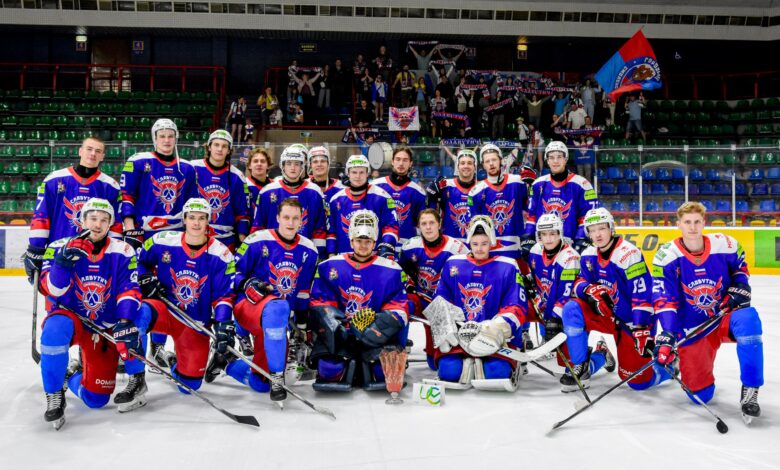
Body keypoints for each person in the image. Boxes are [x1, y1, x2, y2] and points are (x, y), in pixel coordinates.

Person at [652, 202, 763, 424]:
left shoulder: (726, 245)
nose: (692, 227)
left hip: (723, 317)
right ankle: (680, 364)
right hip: (693, 328)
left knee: (748, 319)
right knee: (699, 396)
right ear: (678, 224)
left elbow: (740, 270)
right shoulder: (666, 256)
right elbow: (665, 299)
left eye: (697, 222)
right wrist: (669, 333)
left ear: (704, 222)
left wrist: (740, 287)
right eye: (687, 222)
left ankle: (750, 389)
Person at [38, 198, 144, 429]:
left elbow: (129, 288)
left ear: (110, 224)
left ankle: (71, 376)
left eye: (104, 220)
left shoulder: (123, 250)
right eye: (93, 218)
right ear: (82, 220)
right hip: (72, 319)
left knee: (96, 399)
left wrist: (124, 320)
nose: (97, 224)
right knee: (53, 331)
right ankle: (54, 394)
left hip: (104, 327)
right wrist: (62, 264)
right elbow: (52, 290)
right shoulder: (58, 247)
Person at [207, 198, 318, 403]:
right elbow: (232, 272)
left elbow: (303, 291)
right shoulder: (256, 240)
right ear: (277, 218)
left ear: (302, 220)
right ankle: (277, 378)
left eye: (295, 218)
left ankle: (227, 362)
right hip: (250, 308)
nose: (290, 222)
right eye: (286, 217)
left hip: (277, 322)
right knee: (278, 306)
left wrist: (301, 327)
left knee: (260, 384)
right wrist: (246, 282)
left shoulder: (309, 250)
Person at [132, 198, 236, 395]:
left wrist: (223, 323)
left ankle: (171, 360)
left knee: (189, 386)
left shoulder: (221, 254)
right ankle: (136, 378)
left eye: (202, 218)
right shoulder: (162, 240)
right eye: (192, 217)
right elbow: (137, 261)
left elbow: (224, 296)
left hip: (194, 322)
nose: (196, 223)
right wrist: (144, 277)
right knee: (139, 314)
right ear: (184, 219)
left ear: (208, 221)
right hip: (165, 310)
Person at [561, 207, 671, 392]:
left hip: (632, 321)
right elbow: (579, 281)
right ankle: (583, 364)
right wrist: (588, 289)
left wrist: (640, 327)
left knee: (637, 382)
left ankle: (669, 366)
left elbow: (642, 295)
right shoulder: (588, 254)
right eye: (592, 230)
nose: (597, 234)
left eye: (602, 228)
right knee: (572, 309)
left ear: (611, 228)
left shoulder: (628, 254)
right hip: (607, 315)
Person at [119, 118, 197, 367]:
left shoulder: (187, 168)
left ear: (176, 138)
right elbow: (126, 195)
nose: (166, 140)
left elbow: (192, 205)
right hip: (144, 236)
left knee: (166, 288)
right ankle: (130, 344)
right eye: (161, 135)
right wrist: (129, 226)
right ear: (154, 138)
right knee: (139, 287)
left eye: (170, 135)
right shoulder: (138, 161)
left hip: (173, 240)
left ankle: (159, 347)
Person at [309, 209, 409, 392]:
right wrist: (334, 326)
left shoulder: (392, 269)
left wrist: (379, 327)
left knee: (382, 371)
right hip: (341, 336)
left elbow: (399, 306)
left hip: (374, 338)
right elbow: (320, 301)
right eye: (359, 241)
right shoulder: (329, 266)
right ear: (351, 240)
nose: (363, 246)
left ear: (375, 242)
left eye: (368, 241)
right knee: (329, 369)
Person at [431, 216, 528, 389]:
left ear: (491, 242)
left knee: (496, 372)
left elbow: (517, 304)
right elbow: (440, 299)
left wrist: (498, 326)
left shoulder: (508, 266)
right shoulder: (453, 264)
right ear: (469, 242)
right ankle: (469, 364)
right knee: (449, 371)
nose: (479, 248)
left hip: (491, 337)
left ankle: (480, 365)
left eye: (484, 243)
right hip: (460, 336)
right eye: (475, 244)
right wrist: (444, 326)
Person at [526, 213, 614, 390]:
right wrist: (528, 285)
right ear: (538, 235)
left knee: (570, 366)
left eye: (553, 234)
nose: (548, 239)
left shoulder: (570, 258)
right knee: (517, 305)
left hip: (564, 314)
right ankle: (514, 352)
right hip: (543, 306)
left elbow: (566, 295)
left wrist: (554, 319)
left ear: (560, 233)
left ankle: (601, 354)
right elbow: (535, 280)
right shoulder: (535, 251)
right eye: (544, 234)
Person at [25, 136, 122, 284]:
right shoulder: (54, 179)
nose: (93, 154)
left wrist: (114, 253)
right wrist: (36, 248)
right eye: (89, 149)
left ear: (102, 156)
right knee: (57, 294)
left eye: (98, 151)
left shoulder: (110, 186)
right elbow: (41, 216)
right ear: (80, 151)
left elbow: (115, 224)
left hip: (94, 256)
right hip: (58, 251)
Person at [398, 209, 468, 369]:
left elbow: (466, 277)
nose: (428, 227)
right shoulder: (410, 246)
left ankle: (449, 352)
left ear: (439, 224)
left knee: (434, 364)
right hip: (420, 299)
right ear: (418, 226)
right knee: (401, 305)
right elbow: (400, 273)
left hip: (443, 305)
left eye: (431, 223)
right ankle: (398, 350)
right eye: (424, 223)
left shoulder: (457, 248)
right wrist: (408, 284)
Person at [522, 141, 598, 257]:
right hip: (543, 246)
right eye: (551, 157)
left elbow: (586, 218)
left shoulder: (582, 184)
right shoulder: (538, 184)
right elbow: (531, 216)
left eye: (559, 157)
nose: (555, 161)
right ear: (547, 160)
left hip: (570, 247)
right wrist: (528, 237)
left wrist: (581, 239)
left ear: (565, 159)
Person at [252, 144, 327, 255]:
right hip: (273, 253)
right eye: (289, 163)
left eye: (297, 164)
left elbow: (320, 229)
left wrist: (317, 255)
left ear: (302, 166)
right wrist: (259, 253)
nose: (293, 168)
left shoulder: (315, 192)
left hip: (304, 254)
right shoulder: (266, 192)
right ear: (282, 165)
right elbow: (258, 226)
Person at [327, 154, 398, 258]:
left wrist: (386, 246)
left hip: (373, 258)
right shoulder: (336, 200)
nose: (358, 176)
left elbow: (391, 226)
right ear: (348, 173)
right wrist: (331, 253)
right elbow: (331, 231)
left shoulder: (383, 197)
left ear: (367, 173)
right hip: (344, 258)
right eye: (354, 172)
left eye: (361, 172)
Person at [191, 130, 250, 251]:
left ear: (229, 150)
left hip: (225, 240)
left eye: (224, 146)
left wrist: (242, 239)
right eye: (216, 145)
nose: (219, 149)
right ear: (209, 147)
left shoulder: (237, 176)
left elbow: (242, 213)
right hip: (194, 235)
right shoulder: (193, 168)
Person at [469, 144, 529, 259]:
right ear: (483, 165)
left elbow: (530, 209)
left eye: (494, 160)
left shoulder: (518, 181)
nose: (491, 163)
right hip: (490, 252)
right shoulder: (475, 192)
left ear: (501, 160)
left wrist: (531, 187)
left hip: (517, 249)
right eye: (487, 161)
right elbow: (474, 226)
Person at [371, 146, 426, 248]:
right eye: (398, 159)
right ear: (392, 162)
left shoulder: (418, 192)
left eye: (405, 160)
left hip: (406, 247)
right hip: (379, 245)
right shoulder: (375, 186)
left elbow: (421, 223)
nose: (401, 163)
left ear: (410, 163)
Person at [426, 148, 479, 242]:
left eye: (469, 163)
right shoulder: (445, 185)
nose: (466, 166)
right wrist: (431, 194)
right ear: (457, 166)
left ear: (475, 167)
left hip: (475, 244)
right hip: (449, 243)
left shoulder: (482, 188)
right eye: (462, 163)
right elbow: (430, 210)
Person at [245, 148, 273, 217]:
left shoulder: (275, 186)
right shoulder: (243, 184)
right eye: (255, 161)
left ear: (268, 165)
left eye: (262, 161)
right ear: (249, 165)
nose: (259, 164)